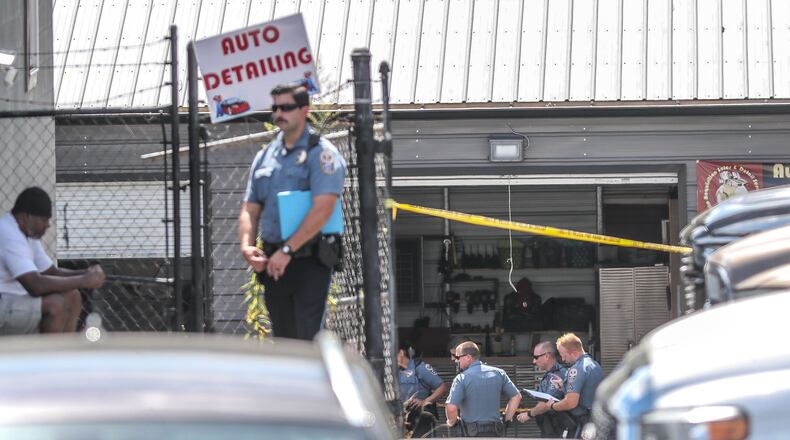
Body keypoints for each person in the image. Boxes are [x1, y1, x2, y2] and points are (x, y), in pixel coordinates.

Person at [238, 84, 346, 341]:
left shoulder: (321, 154)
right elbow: (250, 208)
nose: (279, 113)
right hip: (273, 261)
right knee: (284, 339)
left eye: (286, 107)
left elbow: (323, 209)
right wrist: (247, 246)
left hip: (309, 260)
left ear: (304, 110)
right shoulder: (265, 156)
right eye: (275, 107)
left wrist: (288, 251)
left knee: (307, 338)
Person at [0, 187, 105, 334]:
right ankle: (47, 356)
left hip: (14, 299)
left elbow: (50, 271)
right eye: (44, 219)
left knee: (73, 295)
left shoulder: (26, 233)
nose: (48, 225)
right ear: (26, 217)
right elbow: (35, 285)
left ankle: (65, 353)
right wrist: (83, 280)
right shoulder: (9, 234)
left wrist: (87, 273)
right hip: (4, 302)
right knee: (55, 304)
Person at [532, 333, 603, 438]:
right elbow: (587, 391)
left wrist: (552, 406)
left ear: (573, 352)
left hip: (583, 423)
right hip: (596, 422)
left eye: (563, 355)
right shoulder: (595, 365)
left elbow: (570, 403)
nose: (563, 359)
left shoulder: (576, 369)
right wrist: (563, 386)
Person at [445, 341, 521, 437]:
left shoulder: (461, 378)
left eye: (458, 357)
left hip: (471, 434)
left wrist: (452, 422)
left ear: (468, 357)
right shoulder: (499, 373)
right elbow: (516, 397)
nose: (456, 361)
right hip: (496, 433)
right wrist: (507, 419)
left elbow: (451, 408)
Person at [516, 341, 568, 438]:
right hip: (549, 428)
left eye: (536, 357)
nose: (534, 361)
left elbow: (547, 403)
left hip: (556, 429)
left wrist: (529, 414)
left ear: (547, 356)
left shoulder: (557, 375)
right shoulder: (549, 375)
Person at [398, 345, 448, 438]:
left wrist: (425, 401)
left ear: (401, 353)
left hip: (420, 419)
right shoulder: (392, 371)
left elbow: (441, 387)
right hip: (402, 419)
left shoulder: (420, 367)